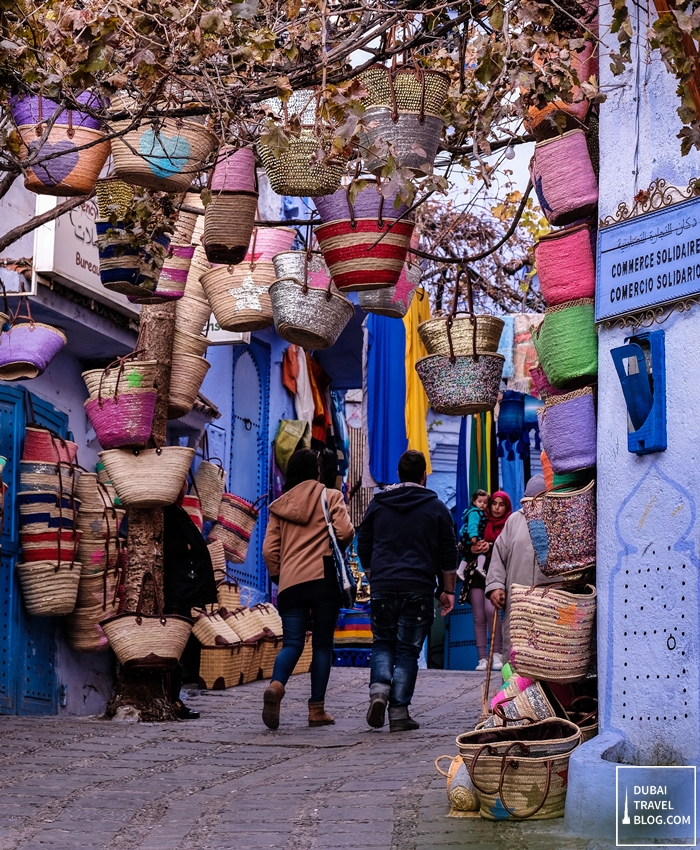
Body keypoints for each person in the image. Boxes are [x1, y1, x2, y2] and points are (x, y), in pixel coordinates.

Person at [357, 450, 458, 732]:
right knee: (407, 651)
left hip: (383, 587)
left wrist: (373, 574)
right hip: (419, 588)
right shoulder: (436, 508)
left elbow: (363, 543)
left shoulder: (378, 505)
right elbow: (448, 553)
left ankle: (379, 691)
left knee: (382, 643)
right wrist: (447, 590)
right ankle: (399, 712)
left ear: (399, 475)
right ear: (424, 476)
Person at [261, 449, 354, 730]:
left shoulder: (279, 506)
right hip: (324, 579)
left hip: (291, 583)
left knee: (292, 643)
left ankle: (277, 686)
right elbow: (346, 531)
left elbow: (269, 551)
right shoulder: (330, 496)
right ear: (316, 471)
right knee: (323, 644)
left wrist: (281, 575)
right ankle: (316, 710)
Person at [485, 474, 558, 665]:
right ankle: (511, 694)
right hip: (517, 602)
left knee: (546, 652)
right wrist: (496, 586)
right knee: (515, 652)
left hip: (549, 602)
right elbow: (498, 556)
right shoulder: (514, 521)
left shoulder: (558, 521)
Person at [163, 481, 218, 720]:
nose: (185, 485)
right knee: (172, 648)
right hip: (174, 592)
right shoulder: (166, 513)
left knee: (177, 648)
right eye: (181, 480)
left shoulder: (176, 511)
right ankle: (172, 700)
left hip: (181, 592)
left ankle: (173, 698)